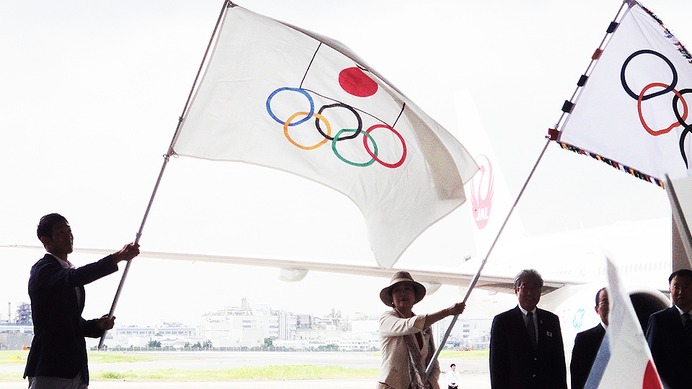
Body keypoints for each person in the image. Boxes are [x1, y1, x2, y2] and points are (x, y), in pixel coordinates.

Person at [23, 213, 140, 389]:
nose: (68, 236)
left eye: (69, 230)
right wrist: (116, 257)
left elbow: (69, 322)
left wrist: (97, 326)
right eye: (61, 232)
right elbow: (74, 278)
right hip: (51, 369)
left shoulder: (66, 271)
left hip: (76, 371)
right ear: (45, 240)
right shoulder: (44, 270)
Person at [378, 271, 466, 389]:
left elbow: (433, 362)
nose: (403, 293)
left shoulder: (425, 328)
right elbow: (408, 325)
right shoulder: (387, 319)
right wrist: (447, 312)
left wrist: (429, 382)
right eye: (397, 290)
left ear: (414, 297)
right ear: (392, 299)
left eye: (407, 289)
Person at [489, 269, 567, 389]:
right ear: (516, 290)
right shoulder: (503, 321)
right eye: (525, 288)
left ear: (540, 291)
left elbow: (559, 363)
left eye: (535, 288)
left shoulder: (551, 320)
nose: (530, 293)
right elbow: (497, 367)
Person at [645, 269, 692, 389]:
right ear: (670, 290)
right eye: (676, 287)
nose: (680, 292)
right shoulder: (659, 320)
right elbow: (652, 360)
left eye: (686, 287)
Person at [570, 287, 609, 389]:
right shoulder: (584, 340)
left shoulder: (632, 338)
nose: (611, 305)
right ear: (597, 309)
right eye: (605, 302)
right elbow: (577, 379)